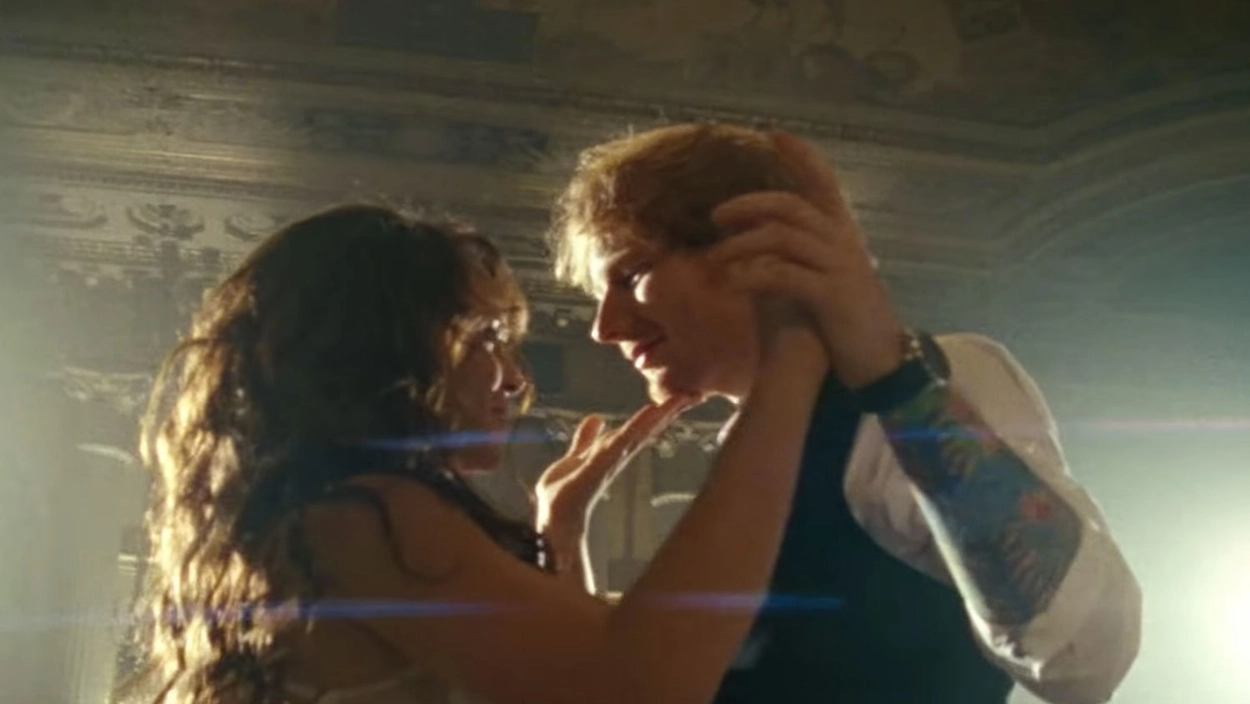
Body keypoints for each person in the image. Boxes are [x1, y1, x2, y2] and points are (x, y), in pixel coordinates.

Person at [122, 204, 833, 704]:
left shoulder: (319, 516)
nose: (516, 379)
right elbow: (636, 690)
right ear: (389, 346)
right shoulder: (367, 516)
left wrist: (561, 528)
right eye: (488, 337)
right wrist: (789, 372)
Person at [548, 123, 1142, 704]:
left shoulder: (924, 383)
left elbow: (1081, 659)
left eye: (629, 275)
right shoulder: (753, 443)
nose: (604, 328)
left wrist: (895, 380)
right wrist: (563, 538)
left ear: (755, 243)